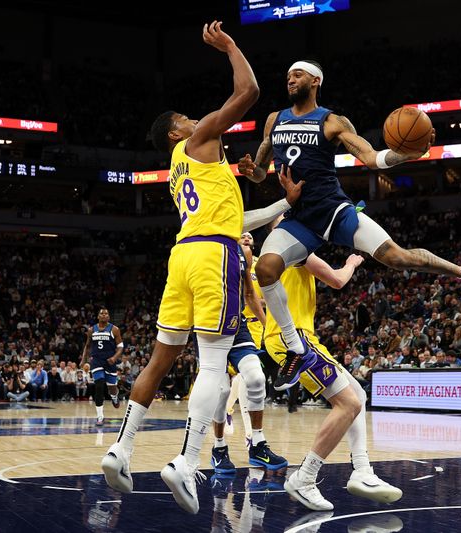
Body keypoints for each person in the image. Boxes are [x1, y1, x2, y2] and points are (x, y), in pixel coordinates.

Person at [102, 22, 300, 516]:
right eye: (188, 118)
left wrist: (279, 205)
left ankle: (120, 450)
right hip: (215, 256)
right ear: (177, 131)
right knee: (214, 364)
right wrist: (230, 46)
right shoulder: (201, 137)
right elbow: (249, 91)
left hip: (184, 255)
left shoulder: (180, 167)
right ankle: (187, 464)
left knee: (159, 360)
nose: (197, 120)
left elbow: (234, 219)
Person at [237, 58, 461, 392]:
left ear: (315, 81)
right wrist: (253, 171)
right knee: (265, 269)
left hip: (334, 210)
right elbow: (263, 170)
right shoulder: (273, 120)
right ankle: (296, 349)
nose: (290, 79)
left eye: (297, 74)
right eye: (288, 75)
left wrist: (406, 155)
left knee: (396, 257)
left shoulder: (332, 122)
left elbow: (372, 158)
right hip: (300, 219)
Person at [263, 215, 401, 511]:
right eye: (284, 220)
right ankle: (305, 476)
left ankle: (362, 470)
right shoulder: (289, 249)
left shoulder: (271, 257)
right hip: (295, 340)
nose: (291, 223)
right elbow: (337, 280)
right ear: (276, 229)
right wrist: (352, 261)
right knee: (348, 404)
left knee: (358, 397)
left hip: (289, 338)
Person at [209, 237, 287, 476]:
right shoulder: (209, 251)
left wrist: (268, 327)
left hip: (240, 326)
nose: (246, 237)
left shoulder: (247, 259)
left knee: (255, 378)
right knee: (221, 391)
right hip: (210, 328)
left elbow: (251, 296)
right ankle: (219, 447)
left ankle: (257, 444)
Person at [81, 308, 124, 425]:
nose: (104, 315)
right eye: (102, 313)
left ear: (108, 317)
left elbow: (121, 346)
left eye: (106, 313)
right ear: (98, 316)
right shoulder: (91, 330)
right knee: (99, 385)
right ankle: (100, 416)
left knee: (112, 388)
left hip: (110, 361)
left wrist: (115, 358)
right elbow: (88, 346)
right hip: (96, 361)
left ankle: (115, 396)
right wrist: (83, 359)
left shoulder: (114, 329)